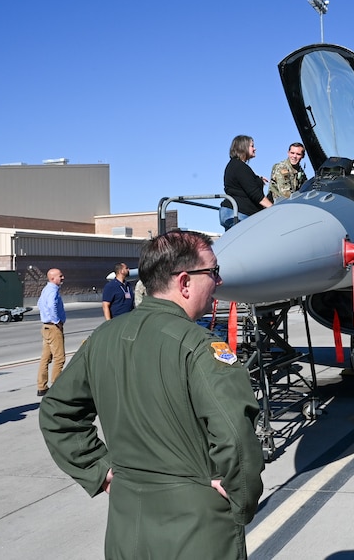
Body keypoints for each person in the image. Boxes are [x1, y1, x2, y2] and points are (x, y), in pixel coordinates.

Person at [39, 231, 264, 560]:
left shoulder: (103, 338)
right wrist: (240, 500)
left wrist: (100, 470)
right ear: (185, 282)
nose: (219, 280)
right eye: (213, 272)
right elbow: (235, 437)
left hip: (126, 526)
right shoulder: (201, 348)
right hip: (197, 531)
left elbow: (56, 413)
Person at [221, 134, 272, 229]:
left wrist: (258, 179)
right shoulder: (239, 167)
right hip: (240, 214)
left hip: (235, 212)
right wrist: (272, 208)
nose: (255, 149)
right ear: (243, 147)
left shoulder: (235, 166)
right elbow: (255, 193)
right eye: (252, 146)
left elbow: (242, 183)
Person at [36, 268, 66, 396]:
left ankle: (41, 386)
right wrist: (57, 321)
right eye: (60, 276)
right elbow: (51, 306)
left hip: (45, 327)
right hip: (53, 328)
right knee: (59, 358)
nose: (63, 278)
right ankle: (56, 385)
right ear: (53, 278)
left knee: (46, 358)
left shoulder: (46, 289)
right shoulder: (53, 291)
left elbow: (39, 303)